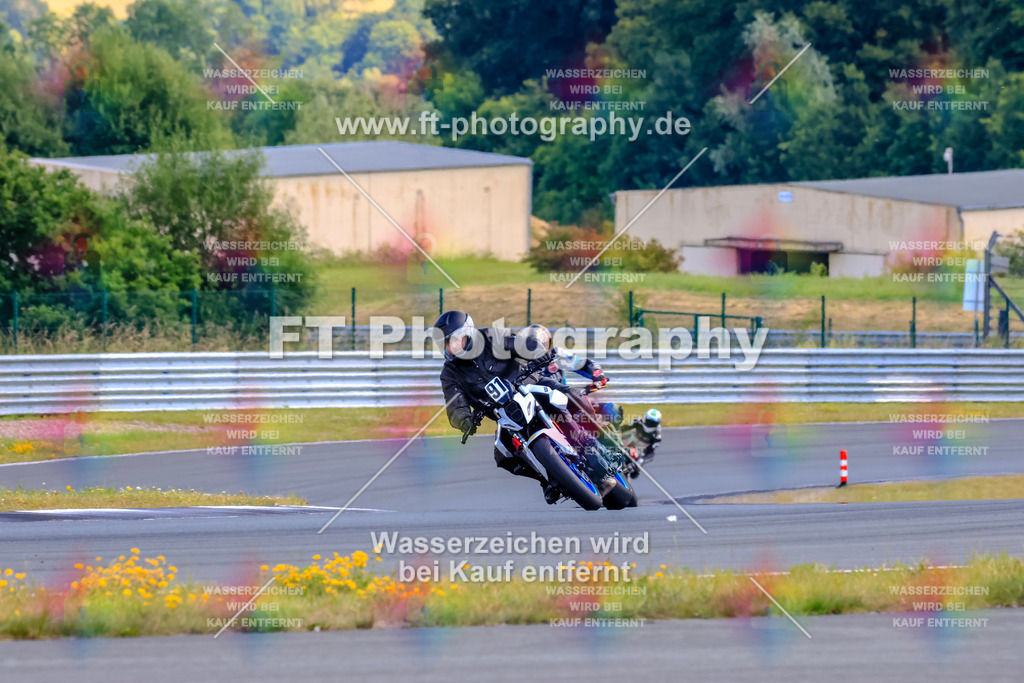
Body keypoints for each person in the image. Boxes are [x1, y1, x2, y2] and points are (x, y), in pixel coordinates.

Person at [434, 312, 588, 503]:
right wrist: (464, 421)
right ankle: (547, 481)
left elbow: (522, 345)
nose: (451, 346)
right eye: (447, 342)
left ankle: (597, 434)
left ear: (468, 333)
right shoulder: (449, 373)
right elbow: (454, 403)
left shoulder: (490, 338)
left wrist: (538, 354)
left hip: (530, 385)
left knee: (571, 396)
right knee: (504, 456)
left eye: (455, 340)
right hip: (504, 415)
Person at [621, 409, 662, 477]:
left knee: (634, 472)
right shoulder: (639, 422)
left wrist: (638, 463)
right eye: (649, 421)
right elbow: (625, 427)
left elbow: (650, 451)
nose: (650, 424)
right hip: (631, 445)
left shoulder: (657, 434)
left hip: (642, 452)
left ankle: (632, 470)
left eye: (652, 422)